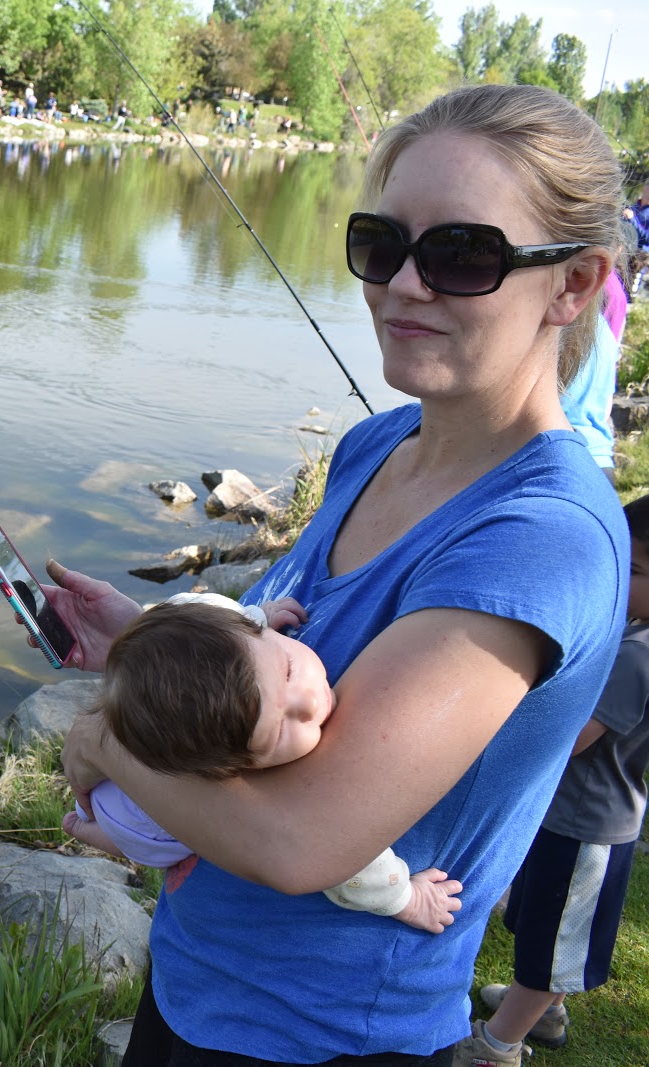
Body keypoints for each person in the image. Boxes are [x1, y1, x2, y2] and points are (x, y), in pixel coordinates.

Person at [48, 83, 625, 1064]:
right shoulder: (375, 444)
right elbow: (283, 650)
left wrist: (107, 729)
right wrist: (143, 642)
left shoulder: (542, 538)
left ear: (570, 286)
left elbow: (299, 841)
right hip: (196, 984)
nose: (403, 283)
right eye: (381, 243)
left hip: (328, 1037)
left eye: (459, 254)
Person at [65, 594, 463, 935]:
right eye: (278, 732)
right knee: (147, 840)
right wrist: (406, 899)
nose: (309, 703)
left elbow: (204, 607)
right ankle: (85, 829)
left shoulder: (223, 621)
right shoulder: (277, 779)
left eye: (289, 671)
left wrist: (259, 613)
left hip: (117, 768)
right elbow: (353, 867)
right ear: (225, 773)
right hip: (135, 818)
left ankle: (85, 815)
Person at [456, 494, 649, 1063]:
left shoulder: (637, 655)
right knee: (540, 918)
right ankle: (544, 1009)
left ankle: (500, 1045)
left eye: (633, 571)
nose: (617, 576)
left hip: (588, 826)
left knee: (555, 940)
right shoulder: (633, 633)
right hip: (563, 813)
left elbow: (574, 740)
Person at [559, 311, 620, 483]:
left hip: (562, 458)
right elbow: (607, 406)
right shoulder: (603, 330)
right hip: (601, 460)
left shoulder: (561, 325)